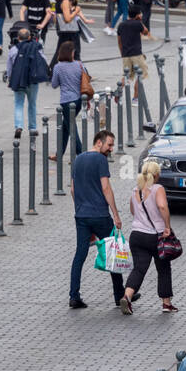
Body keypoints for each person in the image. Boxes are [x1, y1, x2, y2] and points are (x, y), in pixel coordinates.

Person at [66, 129, 124, 309]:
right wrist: (116, 214)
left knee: (80, 255)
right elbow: (106, 188)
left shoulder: (78, 159)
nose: (111, 148)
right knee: (112, 253)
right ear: (99, 142)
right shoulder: (100, 160)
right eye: (109, 144)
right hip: (100, 215)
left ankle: (74, 296)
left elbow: (73, 189)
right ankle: (119, 295)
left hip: (81, 216)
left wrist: (80, 208)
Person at [121, 160, 174, 314]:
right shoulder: (158, 188)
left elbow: (132, 210)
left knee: (139, 268)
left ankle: (127, 296)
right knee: (163, 268)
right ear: (157, 174)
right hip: (155, 235)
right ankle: (166, 303)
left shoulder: (136, 189)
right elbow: (162, 206)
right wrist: (167, 226)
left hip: (136, 235)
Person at [6, 27, 46, 138]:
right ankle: (32, 128)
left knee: (18, 104)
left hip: (18, 80)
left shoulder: (13, 50)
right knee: (32, 104)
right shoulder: (36, 47)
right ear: (29, 37)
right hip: (32, 80)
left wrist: (10, 78)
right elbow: (43, 60)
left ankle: (19, 126)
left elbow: (9, 67)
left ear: (18, 38)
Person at [49, 41, 86, 161]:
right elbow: (85, 80)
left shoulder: (58, 67)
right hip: (79, 100)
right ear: (71, 53)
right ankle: (59, 154)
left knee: (71, 127)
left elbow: (54, 84)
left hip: (66, 101)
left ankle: (80, 154)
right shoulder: (80, 65)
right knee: (66, 126)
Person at [52, 0, 90, 65]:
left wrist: (85, 19)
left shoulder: (58, 1)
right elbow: (67, 19)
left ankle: (52, 70)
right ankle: (82, 74)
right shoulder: (65, 1)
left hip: (62, 30)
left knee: (60, 51)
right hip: (71, 30)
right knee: (76, 53)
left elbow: (56, 17)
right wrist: (76, 11)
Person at [117, 7, 150, 87]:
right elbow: (146, 32)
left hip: (126, 55)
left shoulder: (121, 25)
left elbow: (119, 41)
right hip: (137, 54)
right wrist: (140, 21)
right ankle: (135, 98)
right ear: (137, 15)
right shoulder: (138, 24)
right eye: (140, 14)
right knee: (140, 75)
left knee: (126, 76)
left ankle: (119, 92)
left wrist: (122, 53)